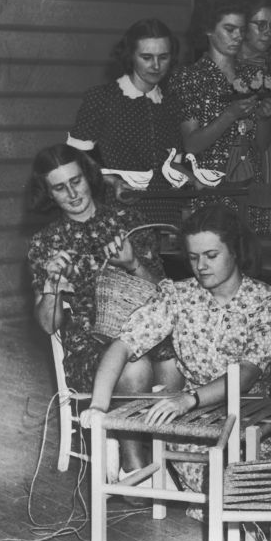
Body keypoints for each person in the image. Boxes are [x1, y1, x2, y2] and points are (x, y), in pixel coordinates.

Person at [79, 205, 271, 496]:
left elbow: (245, 375)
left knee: (268, 490)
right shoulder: (178, 296)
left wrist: (188, 399)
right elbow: (122, 345)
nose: (201, 266)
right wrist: (98, 406)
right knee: (220, 489)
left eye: (211, 255)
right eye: (193, 257)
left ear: (235, 251)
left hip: (251, 417)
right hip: (196, 425)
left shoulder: (267, 304)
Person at [27, 144, 168, 393]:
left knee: (175, 360)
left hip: (146, 332)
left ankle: (166, 433)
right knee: (135, 368)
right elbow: (49, 325)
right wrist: (53, 287)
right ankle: (126, 432)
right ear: (48, 193)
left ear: (88, 176)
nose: (72, 193)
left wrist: (133, 264)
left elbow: (166, 295)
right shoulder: (45, 243)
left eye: (76, 181)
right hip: (90, 349)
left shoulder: (129, 221)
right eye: (60, 187)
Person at [171, 0, 271, 230]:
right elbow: (191, 144)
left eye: (241, 30)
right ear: (208, 30)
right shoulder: (189, 77)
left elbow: (261, 146)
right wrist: (230, 115)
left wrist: (263, 117)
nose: (238, 37)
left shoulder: (252, 76)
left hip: (250, 191)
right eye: (230, 29)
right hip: (210, 193)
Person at [66, 18, 184, 210]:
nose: (156, 66)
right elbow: (75, 156)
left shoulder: (171, 103)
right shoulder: (103, 98)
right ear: (130, 56)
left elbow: (175, 164)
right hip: (118, 208)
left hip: (166, 211)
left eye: (163, 57)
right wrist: (113, 181)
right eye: (146, 57)